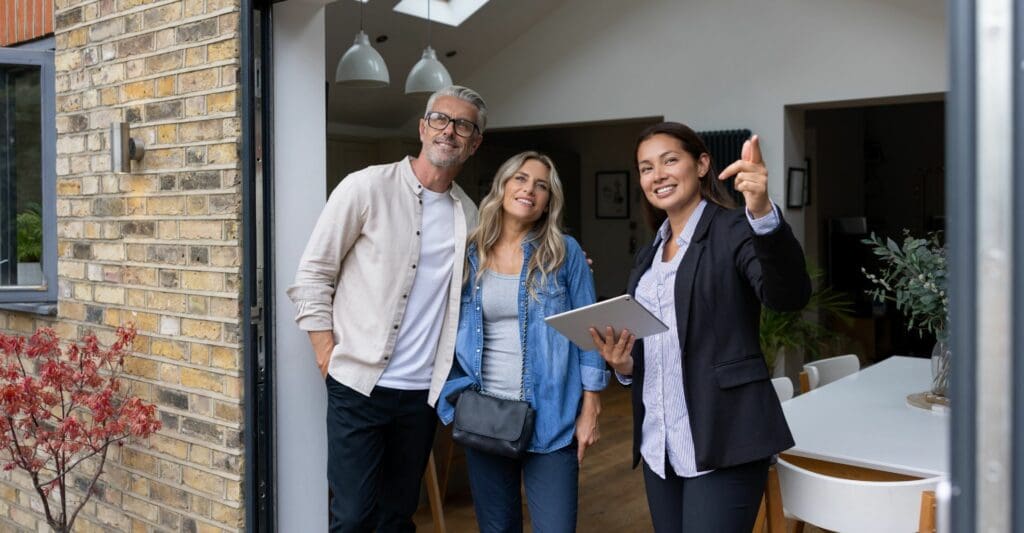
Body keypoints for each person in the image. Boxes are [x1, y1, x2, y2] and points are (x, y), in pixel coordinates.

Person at [590, 122, 811, 532]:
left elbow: (788, 296)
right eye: (645, 168)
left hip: (725, 437)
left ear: (702, 164)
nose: (658, 175)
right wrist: (623, 367)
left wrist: (762, 211)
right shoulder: (648, 256)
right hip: (660, 444)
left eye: (670, 160)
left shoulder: (735, 229)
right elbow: (655, 347)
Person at [287, 86, 486, 533]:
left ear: (474, 144)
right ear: (422, 127)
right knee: (353, 516)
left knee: (397, 517)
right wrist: (326, 354)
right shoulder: (366, 187)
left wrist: (555, 265)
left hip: (422, 396)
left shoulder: (468, 216)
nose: (448, 131)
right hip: (358, 386)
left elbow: (489, 285)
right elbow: (313, 277)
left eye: (463, 125)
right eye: (440, 119)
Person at [437, 151, 608, 533]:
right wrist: (454, 394)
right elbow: (440, 327)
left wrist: (591, 406)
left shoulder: (566, 254)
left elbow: (590, 334)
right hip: (486, 415)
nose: (529, 189)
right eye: (520, 178)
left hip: (552, 417)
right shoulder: (468, 253)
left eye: (541, 185)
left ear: (550, 200)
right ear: (502, 185)